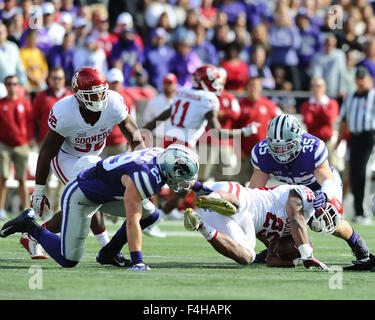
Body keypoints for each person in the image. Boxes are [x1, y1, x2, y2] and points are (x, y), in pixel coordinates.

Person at [0, 145, 201, 270]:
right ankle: (29, 225)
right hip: (81, 195)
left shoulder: (160, 155)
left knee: (151, 214)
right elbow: (132, 220)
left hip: (105, 192)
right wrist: (138, 260)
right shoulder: (144, 176)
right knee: (68, 260)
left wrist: (201, 188)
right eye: (181, 176)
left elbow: (173, 175)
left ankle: (108, 253)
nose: (183, 182)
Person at [23, 66, 145, 265]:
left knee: (86, 201)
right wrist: (39, 190)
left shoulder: (113, 102)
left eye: (100, 93)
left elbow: (136, 138)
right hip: (66, 157)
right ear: (78, 96)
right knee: (89, 196)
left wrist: (138, 164)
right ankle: (107, 249)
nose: (98, 99)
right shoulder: (65, 111)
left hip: (93, 155)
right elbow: (47, 151)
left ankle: (35, 234)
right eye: (92, 95)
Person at [249, 114, 372, 269]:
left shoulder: (312, 147)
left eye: (286, 146)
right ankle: (276, 247)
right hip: (293, 191)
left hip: (319, 186)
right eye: (276, 147)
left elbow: (327, 180)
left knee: (323, 219)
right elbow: (255, 191)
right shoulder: (262, 152)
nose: (281, 152)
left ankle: (358, 244)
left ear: (298, 140)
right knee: (257, 213)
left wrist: (325, 194)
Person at [143, 64, 257, 217]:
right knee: (184, 187)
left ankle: (151, 212)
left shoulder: (182, 91)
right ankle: (157, 217)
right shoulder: (208, 98)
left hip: (167, 141)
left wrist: (142, 131)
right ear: (204, 81)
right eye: (213, 81)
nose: (217, 85)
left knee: (162, 180)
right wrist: (244, 131)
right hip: (184, 145)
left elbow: (164, 115)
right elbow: (216, 132)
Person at [184, 181, 331, 270]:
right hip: (243, 198)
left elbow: (271, 259)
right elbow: (295, 216)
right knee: (240, 203)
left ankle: (200, 225)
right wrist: (306, 252)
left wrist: (296, 260)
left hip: (242, 221)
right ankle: (213, 198)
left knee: (247, 256)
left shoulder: (295, 235)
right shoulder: (308, 198)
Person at [335, 66, 375, 225]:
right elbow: (343, 121)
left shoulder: (373, 96)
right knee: (353, 174)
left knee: (363, 173)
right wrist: (338, 141)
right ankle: (358, 211)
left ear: (369, 80)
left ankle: (364, 212)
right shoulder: (350, 97)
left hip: (369, 137)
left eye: (363, 78)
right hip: (353, 138)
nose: (360, 81)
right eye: (358, 78)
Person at [234, 74, 281, 185]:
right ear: (247, 87)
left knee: (260, 185)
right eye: (251, 85)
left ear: (260, 88)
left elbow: (280, 123)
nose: (254, 88)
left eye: (256, 85)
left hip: (263, 153)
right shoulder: (240, 105)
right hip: (245, 153)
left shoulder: (269, 105)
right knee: (242, 183)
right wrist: (237, 148)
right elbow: (234, 128)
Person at [0, 75, 34, 221]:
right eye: (8, 84)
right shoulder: (1, 104)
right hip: (5, 145)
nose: (11, 86)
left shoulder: (25, 103)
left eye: (14, 83)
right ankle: (1, 209)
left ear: (18, 85)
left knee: (22, 179)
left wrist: (30, 138)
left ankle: (26, 210)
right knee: (3, 178)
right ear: (5, 86)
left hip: (22, 145)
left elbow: (31, 122)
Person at [300, 77, 339, 168]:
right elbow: (308, 121)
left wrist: (320, 106)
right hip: (312, 143)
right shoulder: (306, 104)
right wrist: (321, 114)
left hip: (327, 141)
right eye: (313, 86)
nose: (316, 89)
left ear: (324, 88)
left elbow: (330, 119)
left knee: (332, 168)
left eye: (318, 86)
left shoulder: (331, 103)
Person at [0, 22, 28, 88]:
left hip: (14, 85)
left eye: (1, 33)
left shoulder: (13, 46)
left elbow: (19, 67)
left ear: (6, 33)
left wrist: (25, 83)